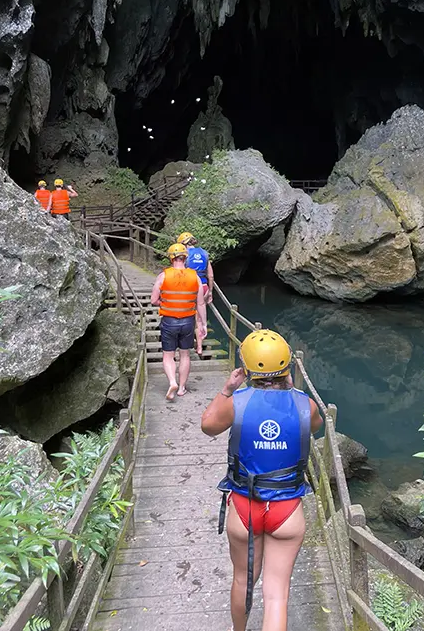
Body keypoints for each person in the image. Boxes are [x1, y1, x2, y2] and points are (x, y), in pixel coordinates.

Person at [201, 330, 323, 631]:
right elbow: (315, 425)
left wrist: (227, 389)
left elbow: (208, 426)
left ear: (247, 369)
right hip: (287, 509)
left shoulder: (237, 402)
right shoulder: (304, 405)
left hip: (244, 506)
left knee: (242, 580)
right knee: (277, 595)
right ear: (287, 367)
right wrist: (292, 390)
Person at [151, 243, 207, 401]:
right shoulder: (195, 277)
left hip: (169, 321)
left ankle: (172, 382)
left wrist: (166, 303)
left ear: (171, 258)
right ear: (185, 258)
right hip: (188, 322)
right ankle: (182, 388)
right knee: (185, 355)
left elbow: (153, 300)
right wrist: (202, 324)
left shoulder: (163, 276)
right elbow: (200, 303)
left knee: (168, 355)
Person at [177, 231, 215, 304]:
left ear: (183, 244)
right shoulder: (204, 253)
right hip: (204, 287)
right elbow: (210, 275)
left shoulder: (184, 254)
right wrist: (210, 292)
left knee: (188, 310)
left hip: (189, 287)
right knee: (201, 309)